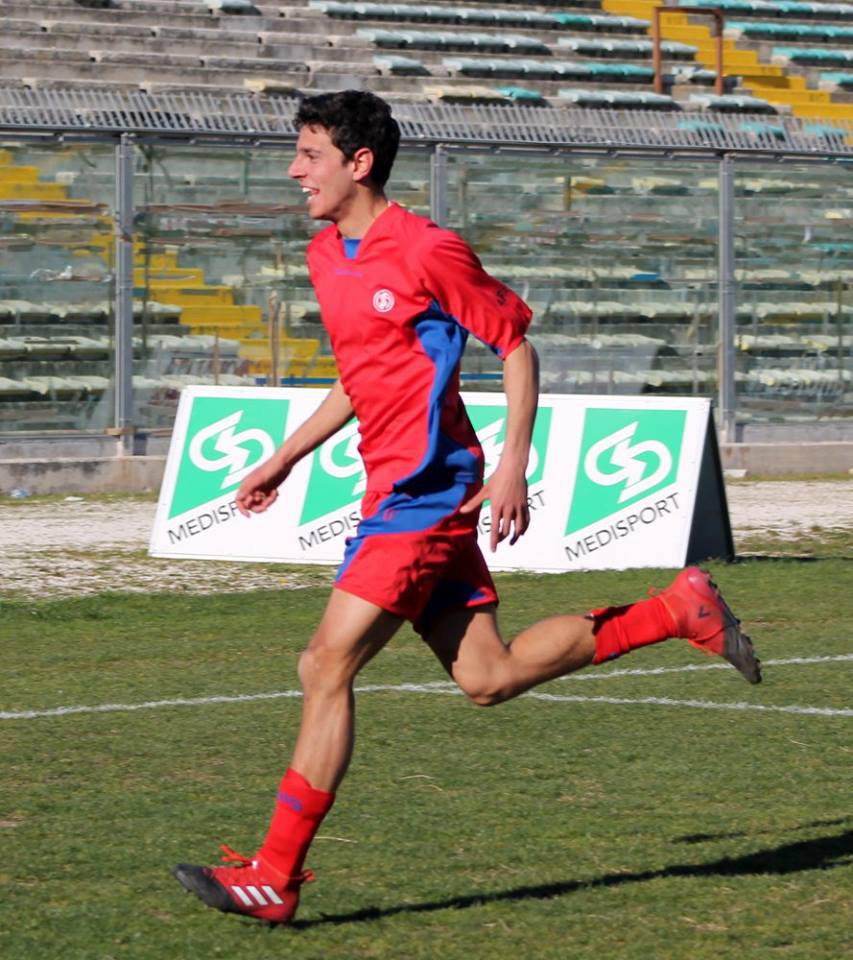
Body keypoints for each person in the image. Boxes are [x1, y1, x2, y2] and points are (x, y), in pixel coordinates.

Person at [173, 91, 761, 925]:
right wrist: (282, 457)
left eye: (308, 154)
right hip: (390, 495)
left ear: (358, 162)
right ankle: (675, 609)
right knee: (488, 676)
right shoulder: (323, 254)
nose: (293, 170)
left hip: (427, 496)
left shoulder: (427, 248)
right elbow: (360, 377)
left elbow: (514, 342)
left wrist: (514, 459)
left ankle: (275, 874)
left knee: (323, 665)